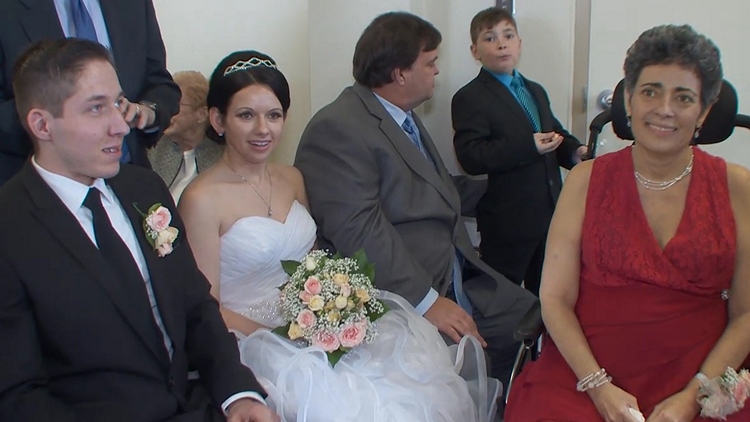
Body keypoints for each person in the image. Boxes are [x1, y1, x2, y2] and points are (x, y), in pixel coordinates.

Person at [179, 49, 497, 422]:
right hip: (251, 341)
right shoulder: (201, 199)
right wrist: (280, 335)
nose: (263, 129)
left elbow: (313, 261)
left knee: (407, 383)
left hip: (314, 327)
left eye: (274, 115)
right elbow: (205, 306)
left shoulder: (291, 178)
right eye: (246, 116)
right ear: (219, 119)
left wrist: (337, 308)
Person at [0, 39, 278, 422]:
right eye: (97, 108)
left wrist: (238, 393)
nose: (119, 125)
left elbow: (195, 305)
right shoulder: (10, 227)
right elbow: (17, 394)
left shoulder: (143, 189)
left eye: (118, 103)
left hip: (195, 404)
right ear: (41, 124)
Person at [506, 25, 750, 421]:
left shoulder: (738, 186)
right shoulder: (585, 181)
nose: (664, 108)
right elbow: (554, 299)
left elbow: (746, 314)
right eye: (650, 91)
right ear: (629, 100)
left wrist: (693, 398)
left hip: (703, 375)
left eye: (683, 97)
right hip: (586, 372)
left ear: (704, 111)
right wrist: (599, 388)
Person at [294, 11, 536, 392]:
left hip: (457, 271)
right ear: (399, 73)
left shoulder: (400, 115)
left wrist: (518, 192)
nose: (437, 71)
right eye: (431, 62)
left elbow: (434, 189)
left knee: (538, 318)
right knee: (497, 347)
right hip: (405, 292)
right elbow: (358, 229)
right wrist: (426, 301)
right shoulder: (338, 128)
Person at [451, 7, 585, 297]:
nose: (501, 44)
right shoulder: (470, 98)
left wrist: (575, 153)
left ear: (519, 44)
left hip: (549, 217)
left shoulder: (534, 90)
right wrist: (529, 146)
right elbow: (471, 158)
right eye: (490, 38)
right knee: (505, 300)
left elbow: (554, 133)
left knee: (550, 296)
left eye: (508, 35)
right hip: (508, 226)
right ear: (475, 51)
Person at [0, 0, 180, 185]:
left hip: (130, 178)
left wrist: (147, 111)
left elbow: (159, 82)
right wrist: (72, 122)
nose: (119, 127)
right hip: (35, 186)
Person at [149, 71, 222, 203]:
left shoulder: (220, 158)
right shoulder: (151, 150)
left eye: (175, 104)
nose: (167, 110)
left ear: (202, 114)